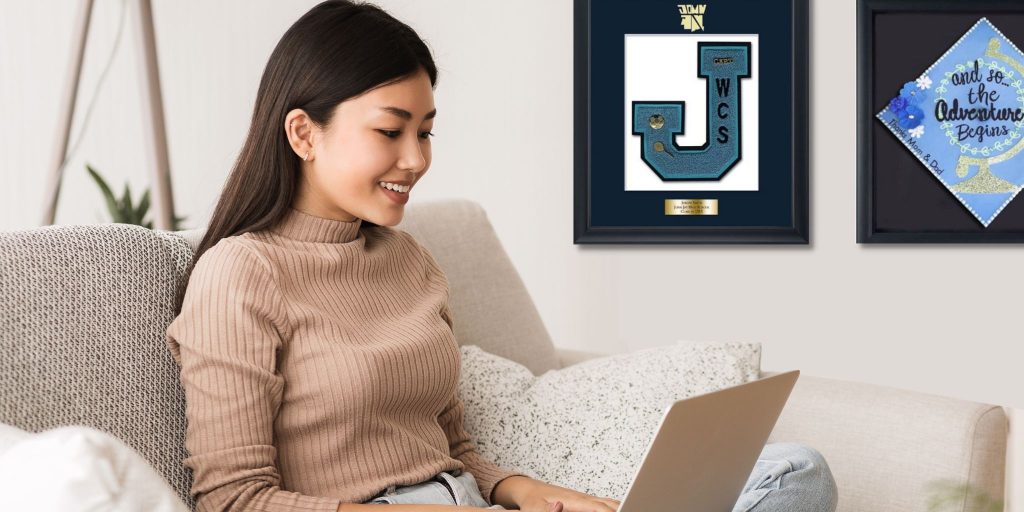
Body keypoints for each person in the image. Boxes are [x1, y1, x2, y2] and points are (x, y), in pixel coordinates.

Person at [165, 1, 838, 511]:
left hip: (471, 500)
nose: (416, 160)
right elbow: (232, 499)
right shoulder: (241, 274)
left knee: (792, 471)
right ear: (303, 133)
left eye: (426, 132)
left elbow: (453, 449)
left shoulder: (410, 262)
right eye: (390, 131)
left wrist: (530, 490)